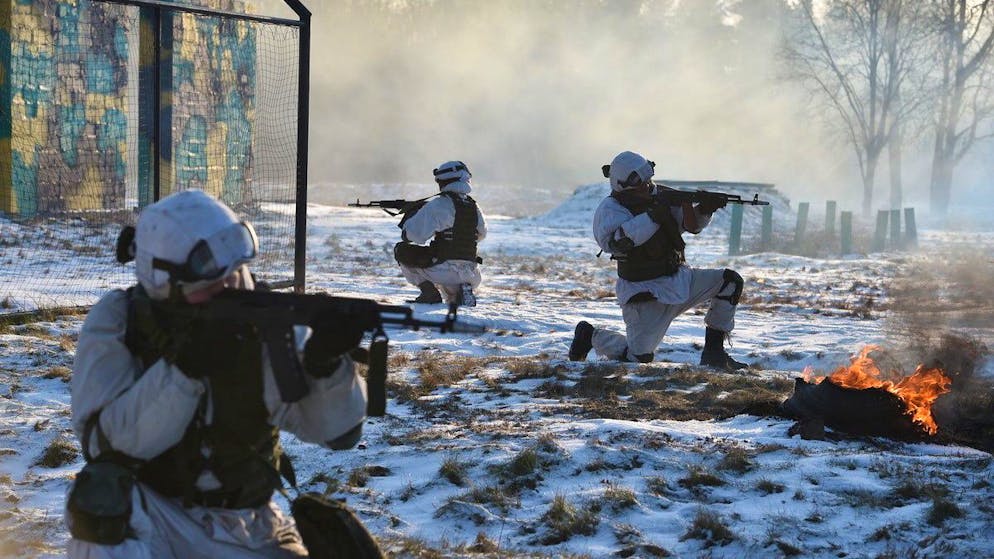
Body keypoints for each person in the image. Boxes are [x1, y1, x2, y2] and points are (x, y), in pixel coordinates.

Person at [66, 189, 370, 558]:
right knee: (98, 502)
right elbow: (104, 448)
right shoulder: (120, 320)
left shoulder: (265, 319)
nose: (229, 286)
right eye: (209, 281)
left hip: (249, 523)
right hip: (154, 515)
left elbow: (338, 433)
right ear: (164, 281)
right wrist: (184, 373)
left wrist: (327, 366)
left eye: (234, 271)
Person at [568, 151, 748, 370]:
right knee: (638, 360)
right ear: (622, 185)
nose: (647, 186)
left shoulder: (659, 196)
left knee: (729, 281)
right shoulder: (610, 210)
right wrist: (654, 215)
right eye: (639, 183)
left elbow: (690, 226)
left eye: (647, 180)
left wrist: (704, 209)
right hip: (645, 294)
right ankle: (591, 336)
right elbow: (617, 242)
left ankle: (714, 354)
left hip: (679, 280)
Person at [393, 160, 487, 306]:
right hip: (472, 273)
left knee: (402, 251)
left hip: (443, 270)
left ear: (442, 181)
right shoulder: (474, 206)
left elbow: (412, 236)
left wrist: (413, 215)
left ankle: (429, 293)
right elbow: (481, 234)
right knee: (453, 286)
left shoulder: (438, 204)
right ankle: (462, 291)